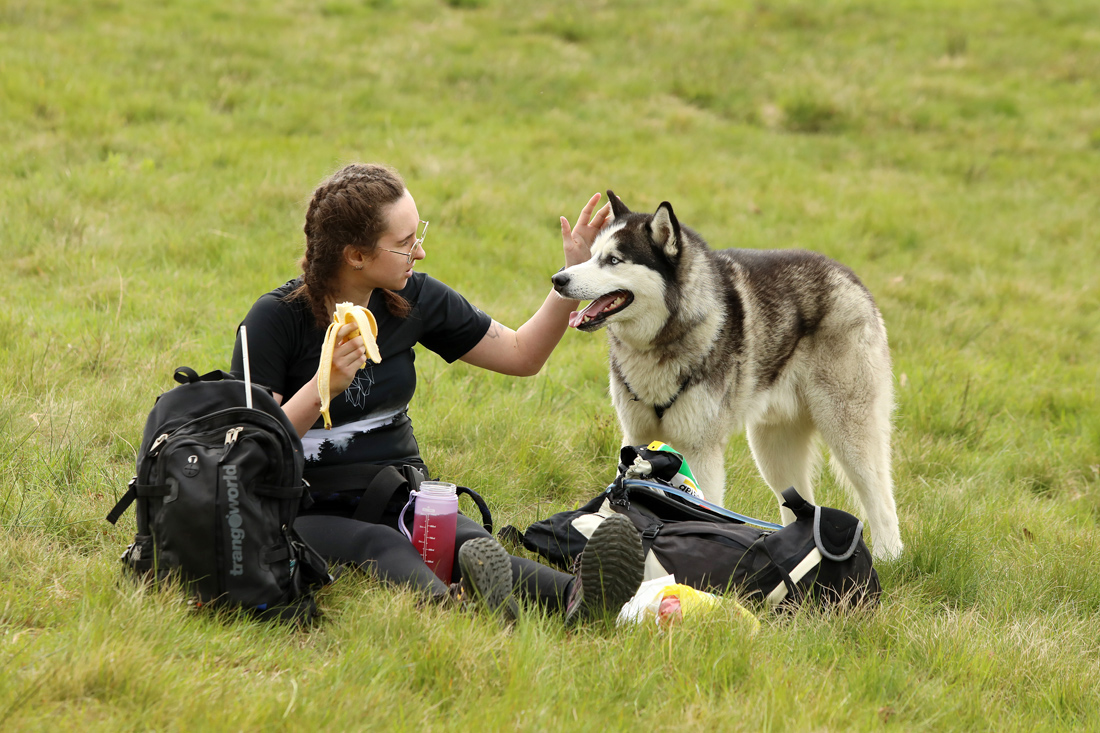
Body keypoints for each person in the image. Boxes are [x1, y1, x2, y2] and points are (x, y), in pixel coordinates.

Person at [231, 163, 643, 624]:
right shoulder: (275, 319)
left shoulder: (413, 299)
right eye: (405, 243)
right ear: (357, 255)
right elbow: (250, 453)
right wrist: (320, 389)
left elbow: (522, 355)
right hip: (305, 508)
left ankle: (582, 599)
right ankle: (454, 608)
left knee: (469, 542)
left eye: (418, 234)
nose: (420, 252)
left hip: (398, 492)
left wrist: (572, 275)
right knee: (380, 543)